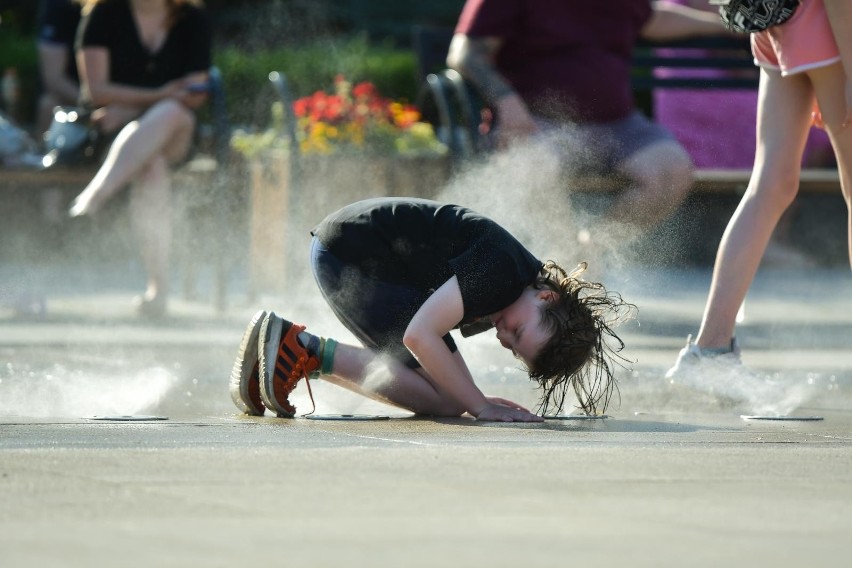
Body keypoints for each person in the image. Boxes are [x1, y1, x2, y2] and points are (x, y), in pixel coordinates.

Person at [230, 197, 635, 422]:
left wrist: (470, 395)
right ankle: (299, 347)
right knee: (446, 403)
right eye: (519, 333)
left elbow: (428, 341)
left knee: (447, 398)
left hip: (353, 252)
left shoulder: (513, 283)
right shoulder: (501, 272)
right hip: (354, 256)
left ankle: (294, 351)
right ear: (547, 297)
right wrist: (477, 404)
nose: (502, 337)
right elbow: (419, 336)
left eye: (511, 347)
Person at [666, 0, 852, 394]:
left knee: (770, 185)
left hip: (779, 22)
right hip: (829, 30)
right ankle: (709, 351)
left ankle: (709, 352)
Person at [445, 0, 726, 237]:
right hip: (539, 124)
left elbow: (652, 17)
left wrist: (727, 24)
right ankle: (560, 262)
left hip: (620, 125)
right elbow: (464, 53)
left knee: (671, 170)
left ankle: (591, 254)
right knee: (534, 171)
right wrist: (507, 103)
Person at [67, 0, 212, 317]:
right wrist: (160, 95)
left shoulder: (191, 18)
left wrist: (138, 106)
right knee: (153, 167)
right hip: (113, 135)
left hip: (177, 132)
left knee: (172, 112)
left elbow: (195, 93)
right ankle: (158, 289)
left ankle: (95, 196)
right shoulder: (102, 15)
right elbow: (96, 92)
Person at [35, 0, 82, 136]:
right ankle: (45, 155)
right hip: (78, 97)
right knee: (49, 104)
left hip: (122, 99)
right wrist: (93, 104)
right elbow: (54, 79)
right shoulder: (59, 6)